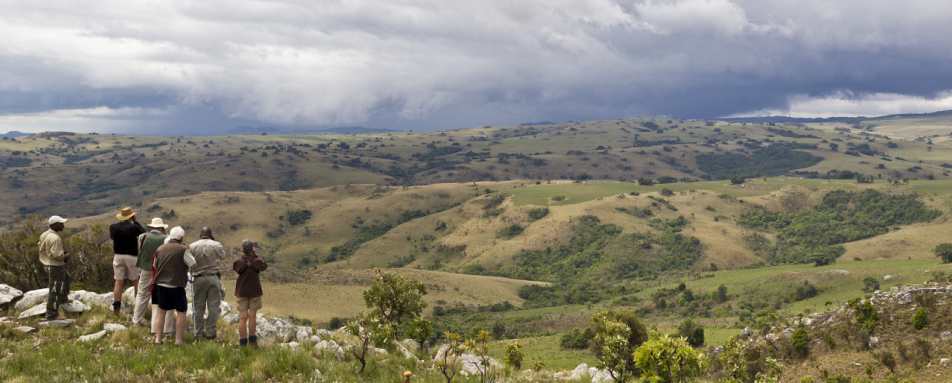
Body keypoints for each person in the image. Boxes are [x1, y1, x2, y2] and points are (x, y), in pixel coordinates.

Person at [151, 226, 195, 345]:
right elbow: (192, 262)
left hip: (161, 284)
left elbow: (154, 265)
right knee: (181, 311)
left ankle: (158, 339)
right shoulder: (182, 249)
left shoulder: (160, 248)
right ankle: (178, 340)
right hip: (177, 285)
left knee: (161, 311)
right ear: (181, 237)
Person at [133, 217, 174, 335]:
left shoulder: (143, 237)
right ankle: (162, 325)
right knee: (160, 296)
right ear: (162, 228)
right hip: (160, 270)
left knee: (142, 294)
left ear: (151, 227)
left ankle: (136, 319)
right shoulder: (166, 239)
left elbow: (140, 250)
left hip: (145, 268)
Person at [189, 227, 226, 340]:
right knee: (213, 307)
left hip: (198, 278)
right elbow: (222, 256)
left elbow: (189, 261)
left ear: (201, 235)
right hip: (213, 277)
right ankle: (210, 332)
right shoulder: (216, 244)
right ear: (210, 235)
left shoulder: (192, 246)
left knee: (198, 307)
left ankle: (198, 333)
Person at [109, 207, 146, 315]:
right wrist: (135, 221)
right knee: (136, 281)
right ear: (131, 216)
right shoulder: (134, 227)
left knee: (118, 281)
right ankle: (138, 308)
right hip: (132, 256)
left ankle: (116, 308)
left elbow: (112, 238)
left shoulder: (113, 227)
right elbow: (143, 233)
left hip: (118, 256)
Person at [234, 240, 268, 347]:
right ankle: (253, 342)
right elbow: (264, 266)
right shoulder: (256, 261)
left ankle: (242, 343)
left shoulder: (239, 261)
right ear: (252, 249)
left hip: (242, 291)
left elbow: (236, 268)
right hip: (254, 291)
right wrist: (255, 256)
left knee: (242, 317)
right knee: (253, 316)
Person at [38, 215, 70, 321]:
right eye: (61, 223)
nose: (63, 225)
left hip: (47, 263)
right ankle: (52, 314)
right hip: (55, 266)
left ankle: (63, 299)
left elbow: (40, 246)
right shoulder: (55, 238)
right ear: (55, 225)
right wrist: (66, 256)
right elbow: (57, 256)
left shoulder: (44, 234)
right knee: (55, 289)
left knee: (66, 278)